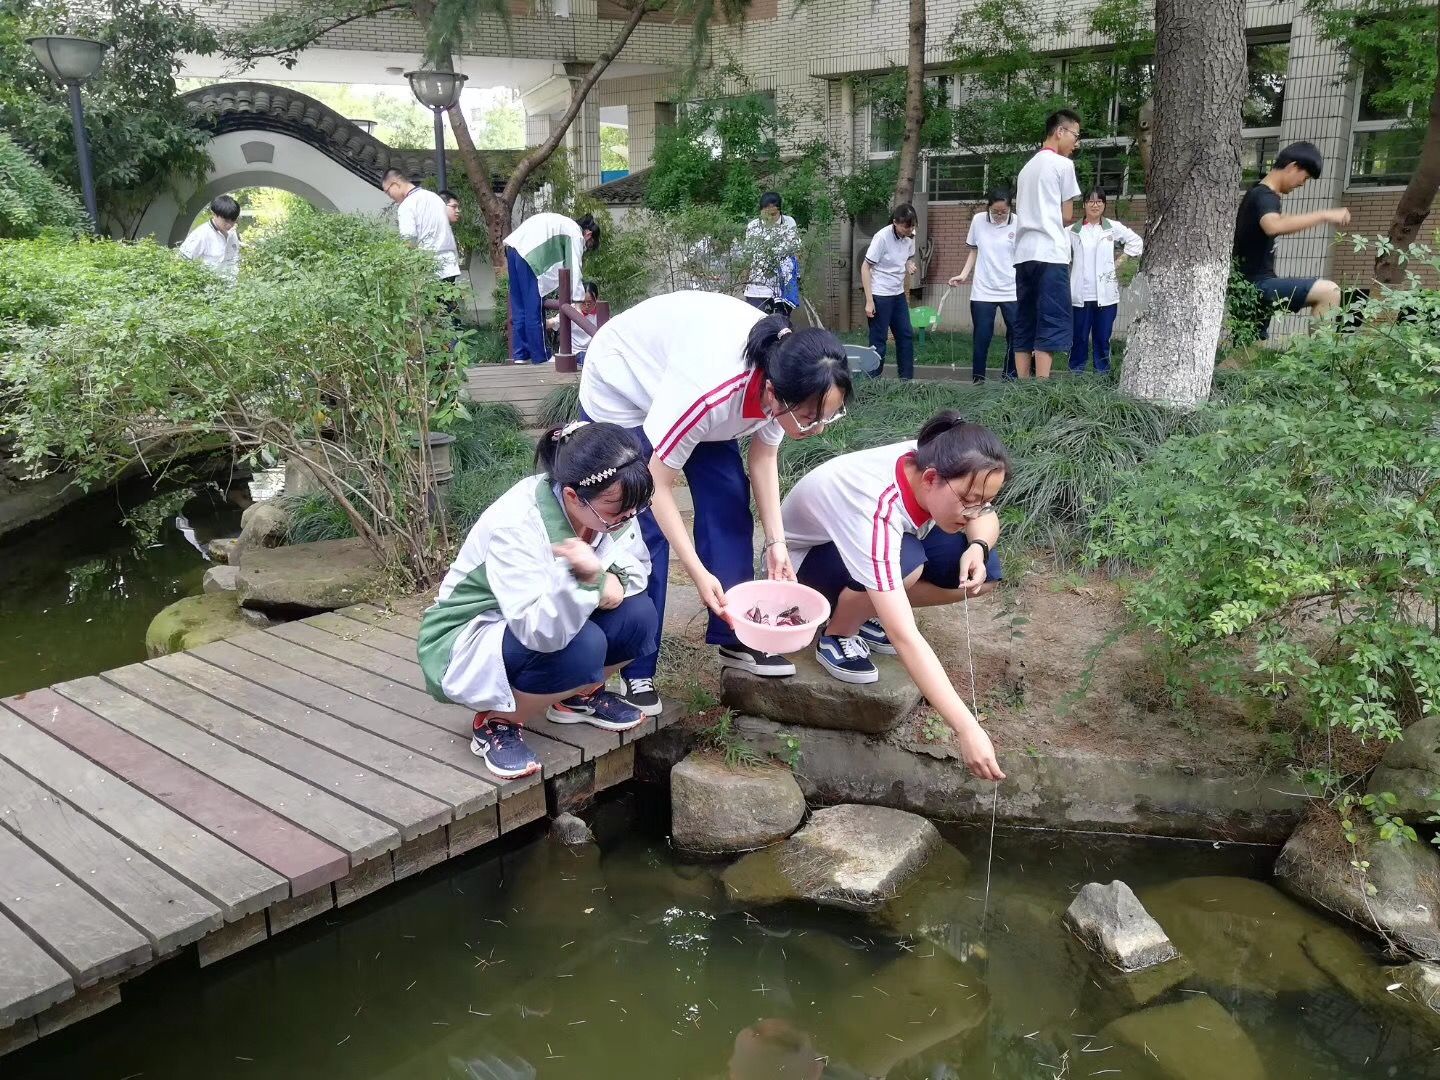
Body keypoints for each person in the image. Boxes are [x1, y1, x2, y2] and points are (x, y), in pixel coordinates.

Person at [579, 292, 852, 716]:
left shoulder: (789, 371)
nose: (816, 428)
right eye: (810, 417)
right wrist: (698, 572)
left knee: (728, 505)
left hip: (690, 391)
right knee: (642, 529)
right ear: (775, 394)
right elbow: (658, 485)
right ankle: (637, 667)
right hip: (626, 385)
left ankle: (735, 635)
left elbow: (763, 459)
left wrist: (776, 543)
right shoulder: (709, 392)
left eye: (828, 416)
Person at [416, 421, 656, 780]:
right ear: (574, 496)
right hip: (469, 632)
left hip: (544, 617)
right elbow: (539, 632)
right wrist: (589, 580)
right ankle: (497, 722)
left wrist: (607, 581)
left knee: (640, 616)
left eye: (635, 507)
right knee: (584, 646)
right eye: (616, 509)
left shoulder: (608, 510)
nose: (627, 519)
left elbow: (635, 569)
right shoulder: (517, 525)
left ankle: (576, 696)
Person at [781, 410, 1007, 781]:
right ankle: (839, 633)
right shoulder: (874, 506)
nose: (974, 510)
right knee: (907, 564)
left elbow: (986, 516)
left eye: (981, 501)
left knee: (987, 575)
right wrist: (967, 729)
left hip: (868, 545)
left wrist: (978, 547)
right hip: (805, 571)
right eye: (969, 501)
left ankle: (874, 606)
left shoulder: (941, 462)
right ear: (932, 479)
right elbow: (906, 637)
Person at [1233, 140, 1349, 332]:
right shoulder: (1265, 196)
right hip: (1256, 286)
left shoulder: (1257, 195)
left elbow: (1280, 220)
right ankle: (1318, 360)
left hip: (1248, 286)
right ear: (1293, 167)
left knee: (1245, 354)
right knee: (1329, 291)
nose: (1302, 184)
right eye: (1305, 177)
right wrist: (1324, 215)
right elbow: (1273, 225)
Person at [1012, 109, 1082, 379]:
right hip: (1050, 253)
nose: (1076, 143)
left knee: (1025, 318)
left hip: (1024, 255)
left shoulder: (1026, 168)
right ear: (1060, 131)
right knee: (1050, 319)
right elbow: (1066, 216)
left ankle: (1023, 384)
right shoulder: (1063, 165)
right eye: (1075, 135)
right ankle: (1040, 389)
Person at [503, 211, 600, 365]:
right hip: (529, 256)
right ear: (588, 234)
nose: (586, 249)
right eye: (589, 246)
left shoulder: (564, 224)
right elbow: (574, 267)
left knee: (519, 306)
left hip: (513, 249)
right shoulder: (575, 233)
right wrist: (578, 298)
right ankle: (541, 356)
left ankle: (521, 355)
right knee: (534, 307)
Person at [1068, 188, 1143, 374]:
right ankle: (1076, 375)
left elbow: (1136, 241)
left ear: (1104, 205)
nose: (1095, 205)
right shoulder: (1072, 231)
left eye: (1099, 201)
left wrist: (1120, 260)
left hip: (1106, 296)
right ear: (1084, 204)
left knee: (1102, 338)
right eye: (1091, 201)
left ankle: (1102, 376)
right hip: (1080, 295)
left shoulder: (1112, 228)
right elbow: (1058, 253)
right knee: (1079, 338)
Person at [949, 189, 1019, 383]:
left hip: (1011, 290)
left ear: (1010, 208)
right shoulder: (979, 220)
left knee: (1016, 336)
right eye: (995, 211)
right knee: (982, 337)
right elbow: (974, 251)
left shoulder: (1018, 222)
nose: (999, 216)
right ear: (988, 207)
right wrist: (963, 275)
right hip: (983, 290)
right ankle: (978, 380)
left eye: (1003, 212)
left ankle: (1009, 377)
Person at [861, 203, 919, 380]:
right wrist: (869, 301)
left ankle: (906, 381)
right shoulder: (882, 237)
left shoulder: (910, 236)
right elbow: (865, 267)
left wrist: (909, 264)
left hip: (898, 294)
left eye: (912, 226)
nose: (909, 230)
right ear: (895, 222)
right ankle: (872, 383)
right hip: (880, 295)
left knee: (905, 336)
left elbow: (907, 257)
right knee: (879, 342)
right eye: (905, 226)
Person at [382, 169, 461, 288]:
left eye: (388, 192)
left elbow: (409, 241)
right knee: (449, 305)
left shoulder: (407, 205)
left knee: (435, 306)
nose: (390, 196)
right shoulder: (434, 197)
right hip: (449, 265)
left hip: (429, 268)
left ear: (395, 184)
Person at [743, 191, 800, 312]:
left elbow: (795, 251)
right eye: (766, 213)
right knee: (757, 321)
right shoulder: (753, 226)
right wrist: (744, 280)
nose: (769, 217)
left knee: (781, 322)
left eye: (773, 214)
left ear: (779, 210)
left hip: (783, 286)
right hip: (757, 286)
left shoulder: (789, 222)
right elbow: (748, 255)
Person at [178, 195, 242, 284]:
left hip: (231, 288)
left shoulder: (232, 233)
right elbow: (182, 260)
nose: (230, 225)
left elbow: (234, 258)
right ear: (214, 215)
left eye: (233, 220)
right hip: (208, 288)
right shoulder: (201, 234)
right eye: (226, 221)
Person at [545, 280, 600, 364]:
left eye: (590, 303)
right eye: (583, 302)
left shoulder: (600, 313)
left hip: (592, 352)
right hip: (574, 352)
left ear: (596, 299)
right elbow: (552, 322)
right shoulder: (571, 310)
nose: (586, 306)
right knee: (585, 358)